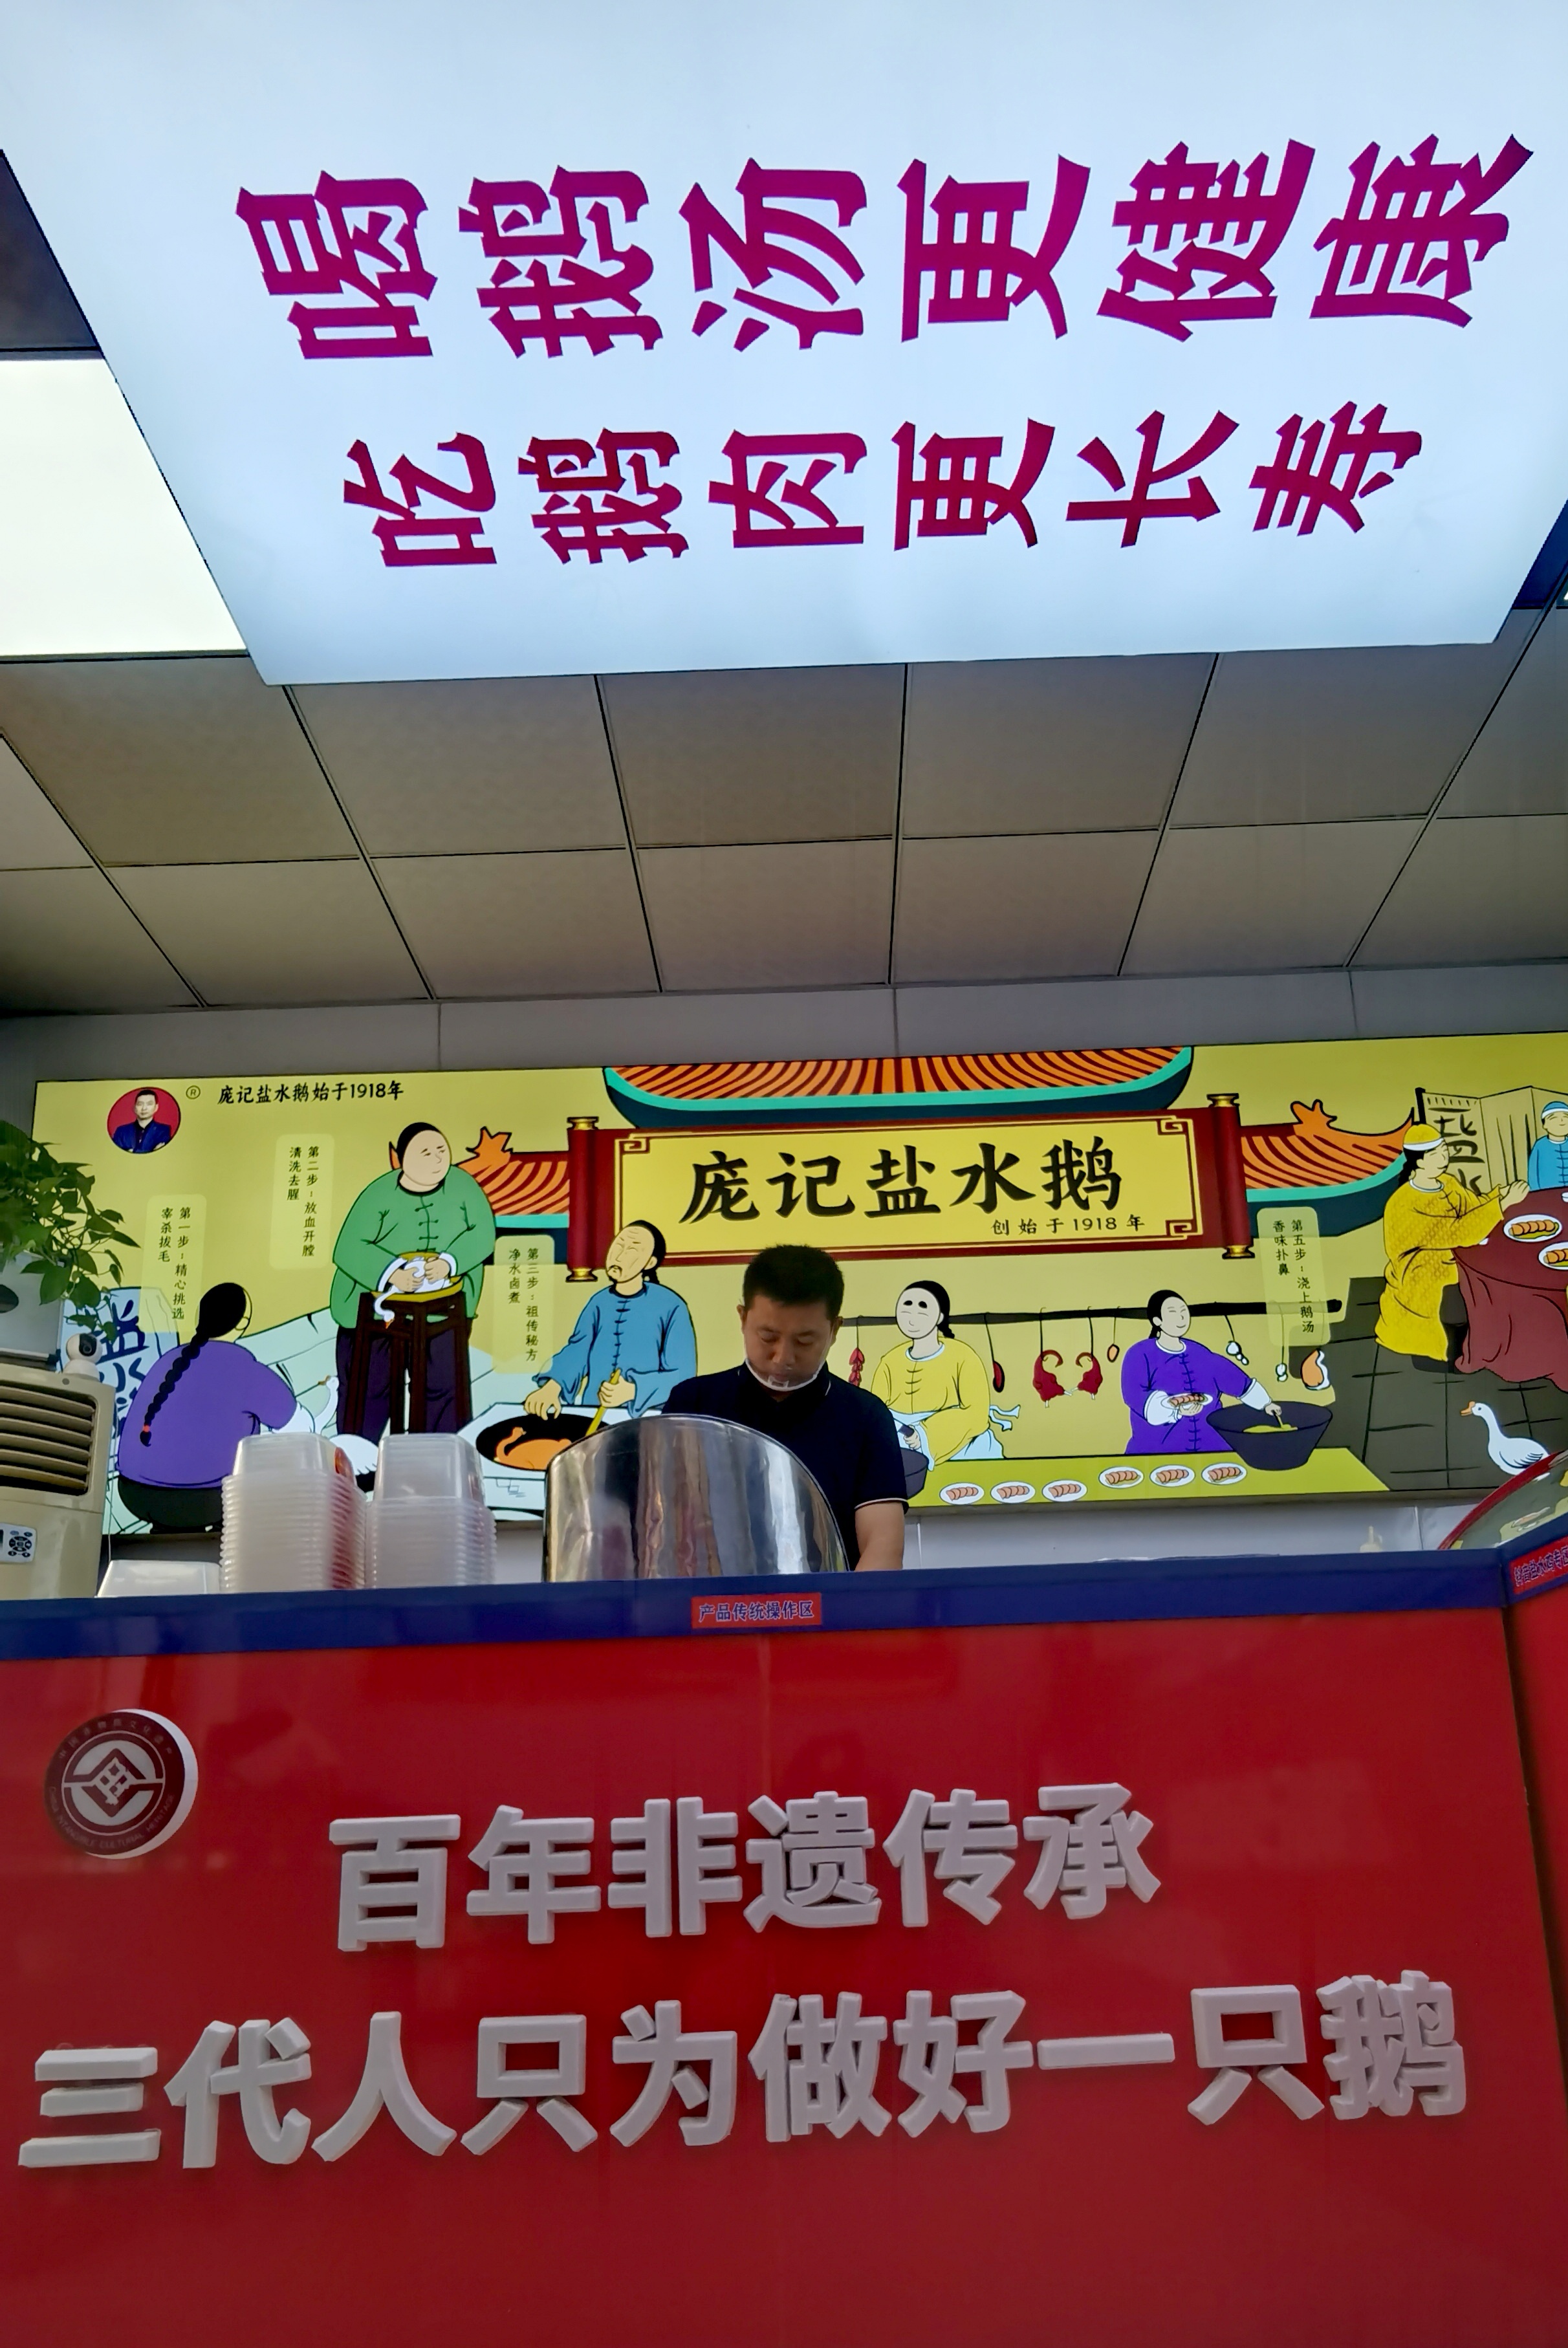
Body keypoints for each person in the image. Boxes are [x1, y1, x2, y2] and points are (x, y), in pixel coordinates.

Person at [664, 1245, 907, 1570]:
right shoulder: (692, 1405)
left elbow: (882, 1547)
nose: (783, 1358)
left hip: (829, 1600)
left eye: (804, 1341)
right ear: (742, 1318)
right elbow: (667, 1531)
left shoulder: (865, 1417)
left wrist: (847, 1603)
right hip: (710, 1599)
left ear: (834, 1330)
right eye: (768, 1337)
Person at [330, 1122, 497, 1438]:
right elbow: (349, 1247)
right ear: (400, 1158)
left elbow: (483, 1233)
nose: (437, 1159)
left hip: (442, 1310)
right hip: (377, 1312)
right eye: (425, 1153)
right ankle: (360, 1459)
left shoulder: (464, 1186)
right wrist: (392, 1273)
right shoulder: (379, 1193)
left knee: (442, 1387)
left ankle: (439, 1455)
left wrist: (448, 1263)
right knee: (369, 1390)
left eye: (442, 1151)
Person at [117, 1283, 296, 1530]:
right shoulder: (242, 1365)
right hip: (205, 1499)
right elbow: (285, 1413)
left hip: (135, 1492)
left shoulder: (171, 1360)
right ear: (243, 1323)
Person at [1374, 1125, 1526, 1365]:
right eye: (1436, 1154)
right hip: (1421, 1270)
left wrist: (1499, 1195)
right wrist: (1502, 1205)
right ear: (1419, 1162)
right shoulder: (1404, 1202)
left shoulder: (1448, 1182)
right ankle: (1461, 1350)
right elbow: (1456, 1232)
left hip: (1455, 1254)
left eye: (1444, 1150)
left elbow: (1472, 1207)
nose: (1444, 1157)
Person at [524, 1221, 695, 1420]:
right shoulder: (599, 1302)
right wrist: (552, 1386)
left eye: (632, 1250)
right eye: (619, 1245)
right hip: (593, 1413)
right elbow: (578, 1350)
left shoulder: (672, 1306)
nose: (619, 1256)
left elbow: (683, 1375)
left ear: (649, 1263)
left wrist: (633, 1390)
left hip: (648, 1419)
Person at [1120, 1290, 1285, 1455]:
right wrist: (1176, 1411)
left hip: (1212, 1447)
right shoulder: (1139, 1354)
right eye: (1173, 1313)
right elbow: (1134, 1395)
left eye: (1183, 1311)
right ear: (1158, 1320)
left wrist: (1265, 1404)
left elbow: (1236, 1380)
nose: (1181, 1318)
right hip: (1159, 1450)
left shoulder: (1200, 1352)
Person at [869, 1279, 995, 1462]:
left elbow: (977, 1413)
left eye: (923, 1306)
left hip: (954, 1441)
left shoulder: (964, 1356)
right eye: (907, 1304)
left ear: (940, 1317)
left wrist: (925, 1434)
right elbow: (876, 1411)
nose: (912, 1313)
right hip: (898, 1440)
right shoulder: (889, 1361)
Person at [112, 1087, 173, 1153]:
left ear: (156, 1107)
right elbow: (116, 1154)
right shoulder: (121, 1131)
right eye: (140, 1104)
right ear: (135, 1108)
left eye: (149, 1104)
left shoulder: (163, 1130)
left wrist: (132, 1151)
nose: (144, 1108)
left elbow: (160, 1155)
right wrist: (152, 1151)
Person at [1527, 1102, 1568, 1193]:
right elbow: (1533, 1173)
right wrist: (1537, 1193)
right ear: (1545, 1125)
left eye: (1566, 1117)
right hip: (1547, 1193)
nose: (1562, 1121)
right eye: (1554, 1118)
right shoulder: (1540, 1146)